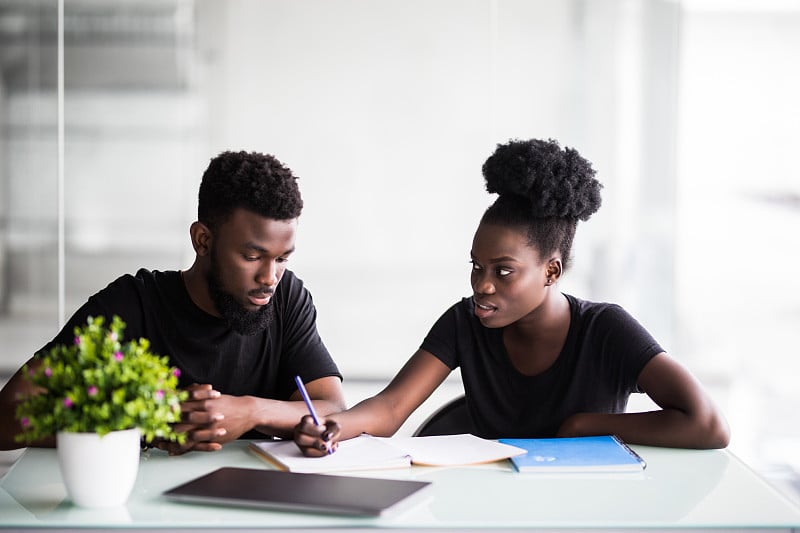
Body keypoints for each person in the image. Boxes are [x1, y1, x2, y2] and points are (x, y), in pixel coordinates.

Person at [295, 138, 730, 456]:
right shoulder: (465, 322)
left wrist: (583, 426)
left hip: (587, 513)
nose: (483, 285)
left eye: (503, 271)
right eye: (476, 267)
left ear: (551, 271)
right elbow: (391, 408)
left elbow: (708, 424)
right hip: (491, 511)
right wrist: (335, 425)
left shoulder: (606, 330)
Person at [0, 150, 346, 453]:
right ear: (203, 240)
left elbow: (332, 407)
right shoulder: (133, 304)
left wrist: (250, 411)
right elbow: (8, 416)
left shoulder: (287, 298)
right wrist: (153, 422)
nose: (270, 277)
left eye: (282, 258)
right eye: (252, 256)